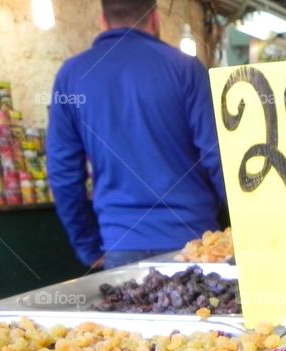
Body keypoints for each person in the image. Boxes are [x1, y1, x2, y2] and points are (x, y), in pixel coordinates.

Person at [47, 0, 226, 270]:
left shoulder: (71, 76)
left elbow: (63, 172)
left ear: (102, 21)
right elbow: (217, 156)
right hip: (194, 244)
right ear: (154, 19)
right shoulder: (185, 69)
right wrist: (244, 230)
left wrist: (87, 246)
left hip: (120, 245)